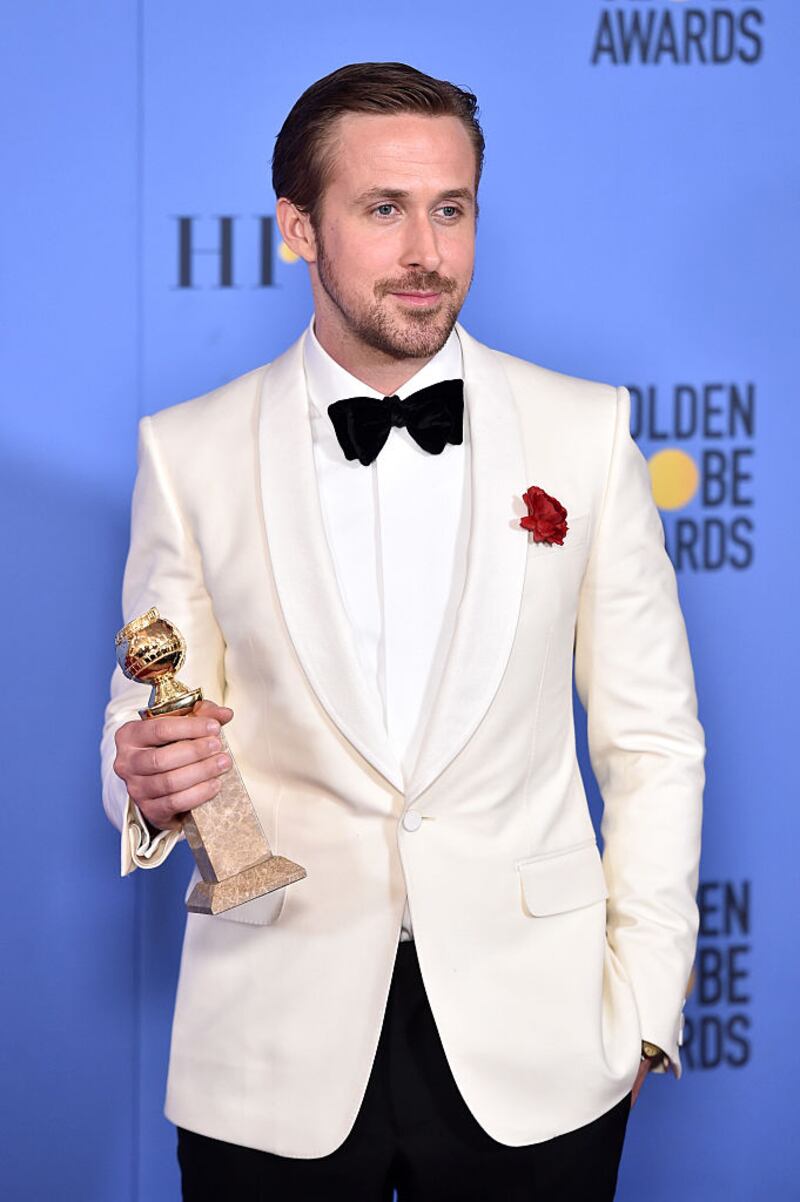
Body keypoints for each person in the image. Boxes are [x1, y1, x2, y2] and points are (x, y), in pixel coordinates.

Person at [101, 61, 705, 1201]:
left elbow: (653, 740)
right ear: (297, 229)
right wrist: (143, 779)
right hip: (268, 1052)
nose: (425, 249)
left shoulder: (584, 431)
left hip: (537, 1048)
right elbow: (151, 709)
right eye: (382, 209)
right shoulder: (187, 451)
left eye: (450, 207)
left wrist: (640, 1011)